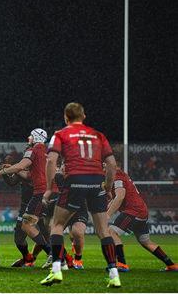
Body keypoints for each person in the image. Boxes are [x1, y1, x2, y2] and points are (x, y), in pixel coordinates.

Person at [40, 102, 120, 288]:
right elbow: (112, 164)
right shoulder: (98, 135)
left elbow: (51, 160)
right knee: (103, 231)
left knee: (57, 225)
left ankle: (56, 271)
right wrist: (107, 187)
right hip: (96, 181)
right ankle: (114, 274)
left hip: (75, 180)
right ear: (83, 116)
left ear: (66, 118)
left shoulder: (60, 134)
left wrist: (50, 187)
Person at [0, 129, 52, 262]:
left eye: (30, 135)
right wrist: (7, 171)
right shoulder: (44, 151)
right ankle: (34, 258)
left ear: (36, 137)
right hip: (41, 194)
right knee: (30, 232)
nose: (28, 137)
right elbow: (26, 174)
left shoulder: (33, 150)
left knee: (32, 227)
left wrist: (0, 171)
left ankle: (55, 256)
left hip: (38, 194)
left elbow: (21, 166)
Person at [108, 166, 178, 272]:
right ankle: (171, 265)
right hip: (141, 211)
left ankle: (122, 264)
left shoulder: (117, 176)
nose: (102, 168)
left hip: (133, 211)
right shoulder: (119, 175)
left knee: (111, 232)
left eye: (104, 165)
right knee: (145, 241)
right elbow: (116, 197)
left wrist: (107, 215)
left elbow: (120, 196)